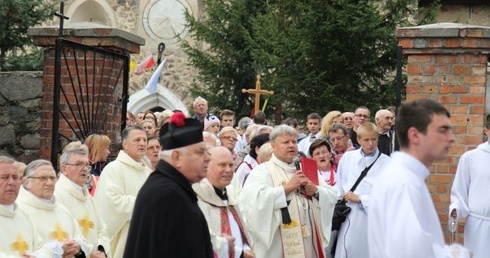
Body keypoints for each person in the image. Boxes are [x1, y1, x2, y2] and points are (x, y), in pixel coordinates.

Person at [368, 99, 471, 258]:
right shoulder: (404, 182)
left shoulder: (405, 176)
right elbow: (407, 253)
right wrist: (457, 255)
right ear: (415, 135)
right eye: (443, 130)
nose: (451, 138)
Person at [239, 124, 337, 258]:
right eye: (285, 142)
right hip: (277, 243)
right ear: (273, 146)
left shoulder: (306, 167)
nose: (291, 145)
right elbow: (251, 202)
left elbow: (331, 195)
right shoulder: (262, 171)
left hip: (307, 239)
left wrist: (315, 190)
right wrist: (286, 188)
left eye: (294, 141)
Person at [124, 112, 213, 257]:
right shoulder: (167, 194)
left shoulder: (172, 186)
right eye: (200, 152)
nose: (208, 158)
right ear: (176, 157)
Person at [334, 122, 390, 258]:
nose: (370, 144)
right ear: (358, 140)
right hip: (350, 218)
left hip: (373, 220)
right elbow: (339, 187)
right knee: (349, 249)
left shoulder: (387, 163)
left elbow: (388, 196)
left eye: (374, 139)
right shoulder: (348, 158)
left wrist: (361, 199)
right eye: (366, 140)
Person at [94, 125, 151, 258]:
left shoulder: (147, 171)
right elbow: (111, 203)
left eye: (144, 140)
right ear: (125, 144)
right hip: (124, 240)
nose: (142, 143)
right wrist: (146, 204)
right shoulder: (114, 169)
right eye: (137, 140)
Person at [17, 159, 89, 257]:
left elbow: (80, 239)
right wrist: (57, 251)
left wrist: (78, 247)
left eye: (52, 178)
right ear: (26, 182)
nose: (49, 183)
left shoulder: (63, 210)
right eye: (43, 178)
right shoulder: (18, 211)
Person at [193, 146, 256, 258]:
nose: (228, 170)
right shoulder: (198, 197)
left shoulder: (231, 194)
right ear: (206, 167)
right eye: (222, 165)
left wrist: (246, 248)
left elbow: (243, 232)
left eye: (231, 165)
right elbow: (202, 240)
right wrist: (239, 254)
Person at [55, 142, 110, 257]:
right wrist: (88, 253)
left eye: (86, 165)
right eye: (79, 164)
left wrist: (102, 251)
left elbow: (102, 230)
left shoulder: (88, 198)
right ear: (64, 168)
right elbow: (61, 233)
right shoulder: (57, 195)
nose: (85, 169)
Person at [449, 117, 490, 258]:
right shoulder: (470, 158)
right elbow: (459, 192)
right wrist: (456, 208)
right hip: (478, 226)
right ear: (486, 131)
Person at [0, 156, 57, 257]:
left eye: (15, 177)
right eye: (4, 177)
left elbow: (42, 246)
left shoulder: (23, 215)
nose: (11, 182)